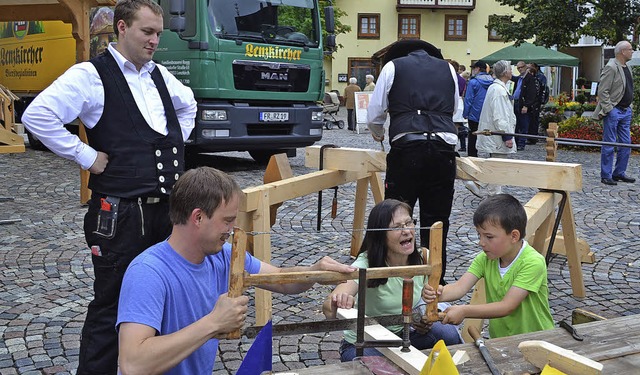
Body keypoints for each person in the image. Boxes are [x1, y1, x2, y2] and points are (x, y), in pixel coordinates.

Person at [21, 1, 198, 373]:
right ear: (121, 27)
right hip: (119, 214)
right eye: (146, 32)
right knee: (113, 304)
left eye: (158, 34)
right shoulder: (91, 75)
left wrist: (172, 140)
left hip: (167, 210)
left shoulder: (160, 76)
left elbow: (189, 105)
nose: (154, 41)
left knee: (162, 297)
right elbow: (38, 115)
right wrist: (86, 156)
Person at [117, 167, 357, 374]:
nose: (233, 229)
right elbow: (133, 364)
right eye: (227, 220)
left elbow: (283, 282)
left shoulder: (223, 256)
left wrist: (315, 272)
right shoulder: (148, 272)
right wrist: (214, 322)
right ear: (198, 217)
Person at [323, 199, 462, 361]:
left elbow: (431, 300)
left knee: (448, 335)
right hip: (366, 343)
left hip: (404, 335)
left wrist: (423, 320)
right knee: (377, 365)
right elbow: (327, 306)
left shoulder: (424, 257)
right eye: (397, 227)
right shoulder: (365, 264)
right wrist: (338, 301)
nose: (406, 231)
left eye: (409, 223)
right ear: (380, 235)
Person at [368, 39, 459, 285]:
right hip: (443, 149)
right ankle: (434, 282)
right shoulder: (448, 68)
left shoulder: (393, 67)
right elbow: (455, 109)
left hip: (407, 147)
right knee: (437, 220)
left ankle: (393, 277)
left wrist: (377, 131)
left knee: (396, 215)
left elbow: (376, 111)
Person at [423, 194, 555, 339]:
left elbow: (507, 306)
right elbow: (459, 288)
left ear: (514, 236)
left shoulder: (533, 262)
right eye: (479, 235)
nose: (481, 242)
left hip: (539, 339)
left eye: (489, 237)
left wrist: (465, 311)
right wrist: (438, 294)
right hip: (501, 340)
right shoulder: (485, 259)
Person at [592, 40, 636, 186]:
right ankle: (606, 175)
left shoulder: (626, 67)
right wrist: (610, 109)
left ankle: (619, 173)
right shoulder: (611, 67)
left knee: (626, 143)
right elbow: (602, 90)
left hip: (625, 110)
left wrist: (629, 107)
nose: (632, 51)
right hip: (614, 110)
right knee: (609, 143)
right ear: (622, 51)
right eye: (630, 49)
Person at [476, 60, 517, 196]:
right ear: (505, 72)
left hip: (496, 134)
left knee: (495, 165)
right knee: (498, 167)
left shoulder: (498, 88)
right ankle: (493, 195)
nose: (512, 72)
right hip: (497, 136)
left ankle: (479, 184)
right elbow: (500, 117)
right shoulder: (498, 90)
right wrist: (507, 136)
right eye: (510, 69)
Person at [463, 60, 493, 158]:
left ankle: (472, 157)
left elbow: (468, 99)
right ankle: (491, 156)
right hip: (488, 113)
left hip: (475, 113)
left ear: (478, 69)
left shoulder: (473, 82)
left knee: (473, 136)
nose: (473, 70)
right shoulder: (492, 81)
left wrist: (465, 113)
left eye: (474, 68)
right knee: (490, 135)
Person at [511, 61, 539, 151]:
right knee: (517, 124)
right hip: (517, 103)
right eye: (518, 68)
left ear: (525, 67)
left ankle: (521, 143)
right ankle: (516, 142)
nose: (519, 69)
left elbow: (531, 93)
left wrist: (526, 105)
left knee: (523, 124)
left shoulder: (529, 78)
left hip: (523, 104)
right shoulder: (520, 78)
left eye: (521, 67)